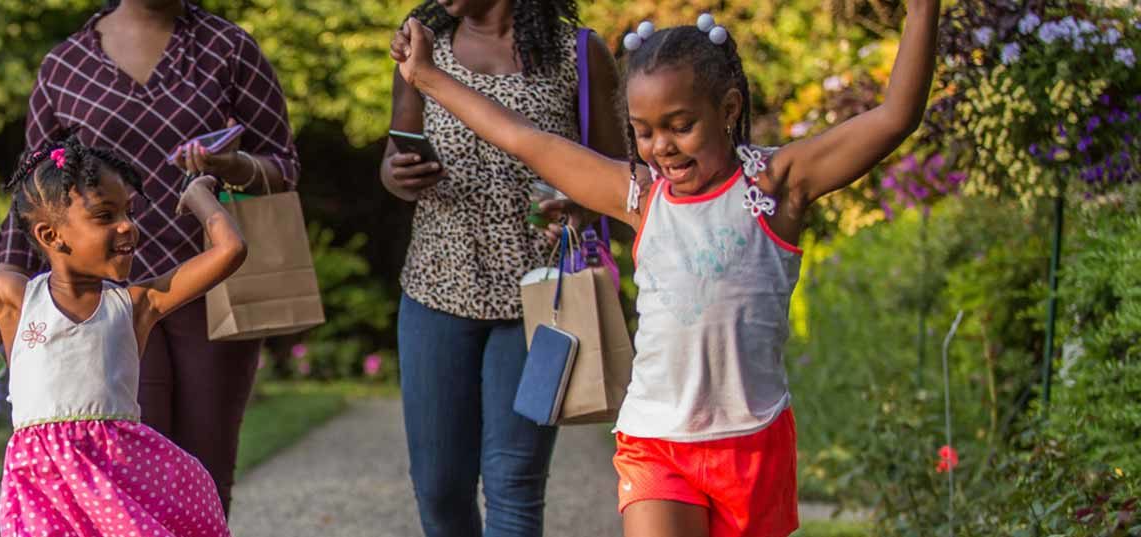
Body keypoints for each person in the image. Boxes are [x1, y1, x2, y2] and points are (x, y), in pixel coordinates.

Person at [391, 1, 939, 534]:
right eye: (645, 132)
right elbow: (525, 140)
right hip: (655, 440)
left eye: (680, 126)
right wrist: (427, 76)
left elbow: (894, 119)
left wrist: (920, 13)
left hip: (752, 442)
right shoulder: (639, 194)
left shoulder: (777, 184)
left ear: (727, 110)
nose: (662, 149)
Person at [0, 0, 301, 513]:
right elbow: (34, 194)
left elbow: (284, 166)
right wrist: (0, 301)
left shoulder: (228, 48)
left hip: (211, 286)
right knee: (128, 477)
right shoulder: (66, 65)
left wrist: (229, 164)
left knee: (206, 477)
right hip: (103, 304)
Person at [0, 132, 244, 536]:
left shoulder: (137, 304)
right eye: (105, 216)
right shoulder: (13, 298)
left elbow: (231, 251)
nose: (127, 226)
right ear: (50, 236)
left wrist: (198, 195)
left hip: (121, 482)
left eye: (128, 211)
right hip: (42, 492)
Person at [380, 1, 626, 535]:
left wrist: (577, 207)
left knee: (514, 483)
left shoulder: (578, 53)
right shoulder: (420, 47)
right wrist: (397, 175)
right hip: (436, 291)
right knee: (439, 487)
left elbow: (619, 177)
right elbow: (396, 154)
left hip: (540, 301)